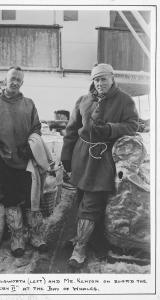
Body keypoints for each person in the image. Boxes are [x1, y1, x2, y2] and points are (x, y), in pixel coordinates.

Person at [61, 63, 139, 268]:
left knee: (92, 202)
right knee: (80, 198)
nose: (100, 83)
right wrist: (66, 157)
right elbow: (71, 130)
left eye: (103, 78)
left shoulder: (125, 100)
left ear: (112, 78)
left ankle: (80, 248)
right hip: (81, 155)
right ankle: (88, 238)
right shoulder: (83, 100)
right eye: (96, 79)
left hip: (104, 160)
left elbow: (133, 126)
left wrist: (111, 129)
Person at [0, 66, 47, 257]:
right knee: (12, 199)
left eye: (19, 79)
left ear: (22, 82)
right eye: (12, 78)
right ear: (5, 80)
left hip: (27, 160)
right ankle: (17, 238)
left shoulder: (29, 104)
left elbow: (36, 128)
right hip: (5, 160)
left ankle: (35, 236)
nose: (15, 82)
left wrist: (31, 146)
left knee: (32, 199)